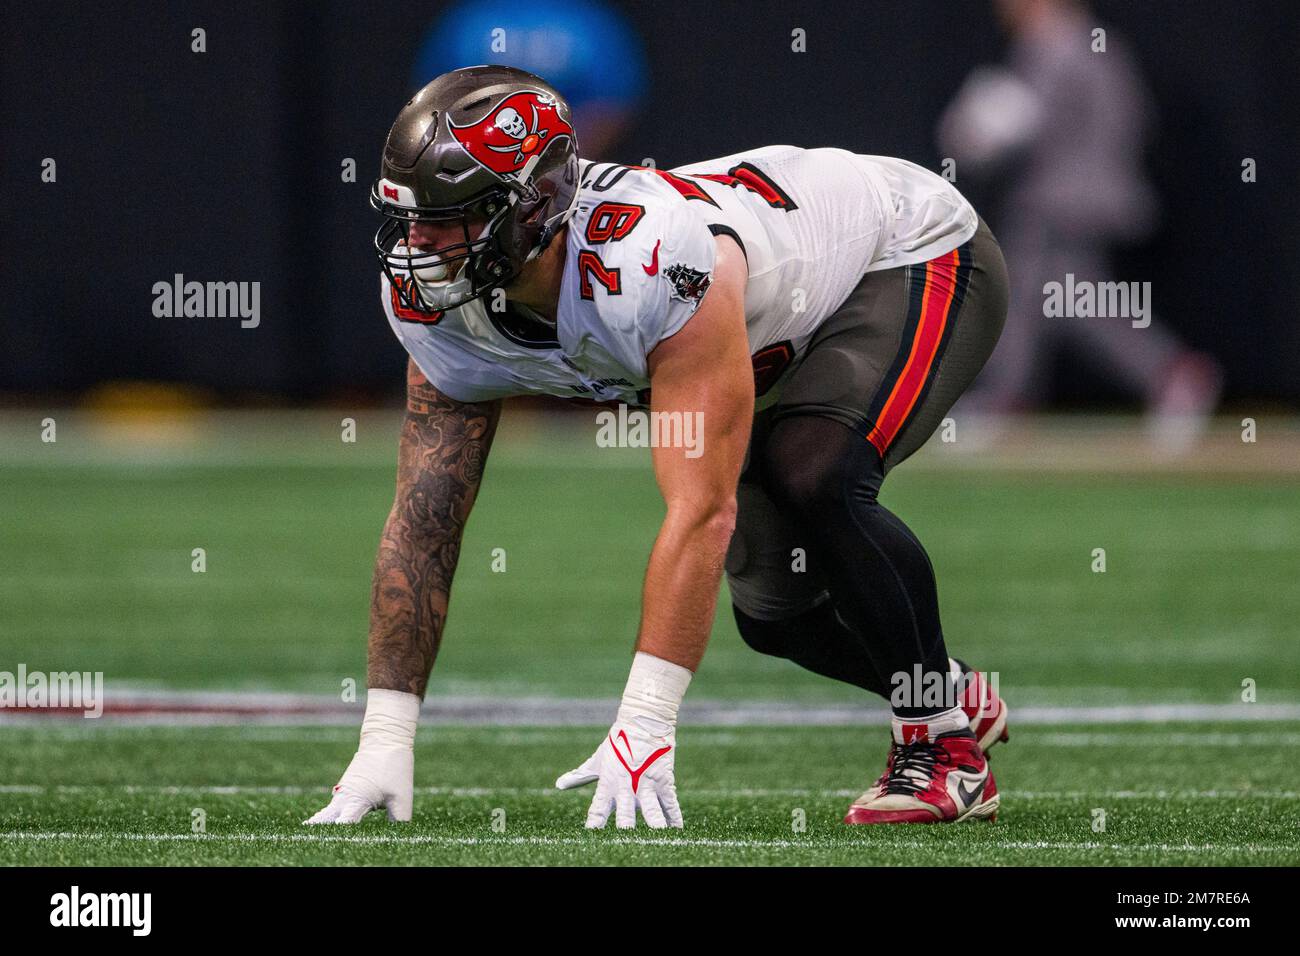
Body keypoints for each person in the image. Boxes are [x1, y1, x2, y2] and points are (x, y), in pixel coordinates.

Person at [307, 65, 1010, 830]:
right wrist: (386, 732)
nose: (421, 245)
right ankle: (940, 684)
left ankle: (941, 749)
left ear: (536, 206)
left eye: (451, 217)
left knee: (813, 473)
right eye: (409, 218)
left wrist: (644, 723)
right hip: (774, 336)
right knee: (777, 618)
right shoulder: (432, 300)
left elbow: (700, 512)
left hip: (905, 251)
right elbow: (426, 518)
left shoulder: (652, 258)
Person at [937, 0, 1221, 446]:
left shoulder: (1054, 42)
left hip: (1061, 201)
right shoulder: (1098, 44)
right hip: (1090, 197)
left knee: (1029, 295)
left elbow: (1014, 123)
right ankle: (1170, 373)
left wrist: (971, 131)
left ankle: (1003, 401)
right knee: (1068, 301)